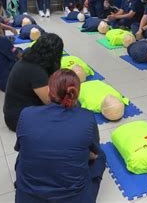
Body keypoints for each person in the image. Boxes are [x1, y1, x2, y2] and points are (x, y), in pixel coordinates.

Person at [15, 69, 106, 203]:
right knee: (101, 156)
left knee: (22, 155)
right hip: (73, 199)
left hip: (28, 198)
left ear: (49, 91)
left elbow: (20, 148)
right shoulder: (86, 117)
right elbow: (94, 154)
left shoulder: (26, 114)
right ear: (76, 94)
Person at [3, 33, 63, 132]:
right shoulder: (36, 71)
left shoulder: (30, 55)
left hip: (14, 112)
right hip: (18, 120)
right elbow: (49, 101)